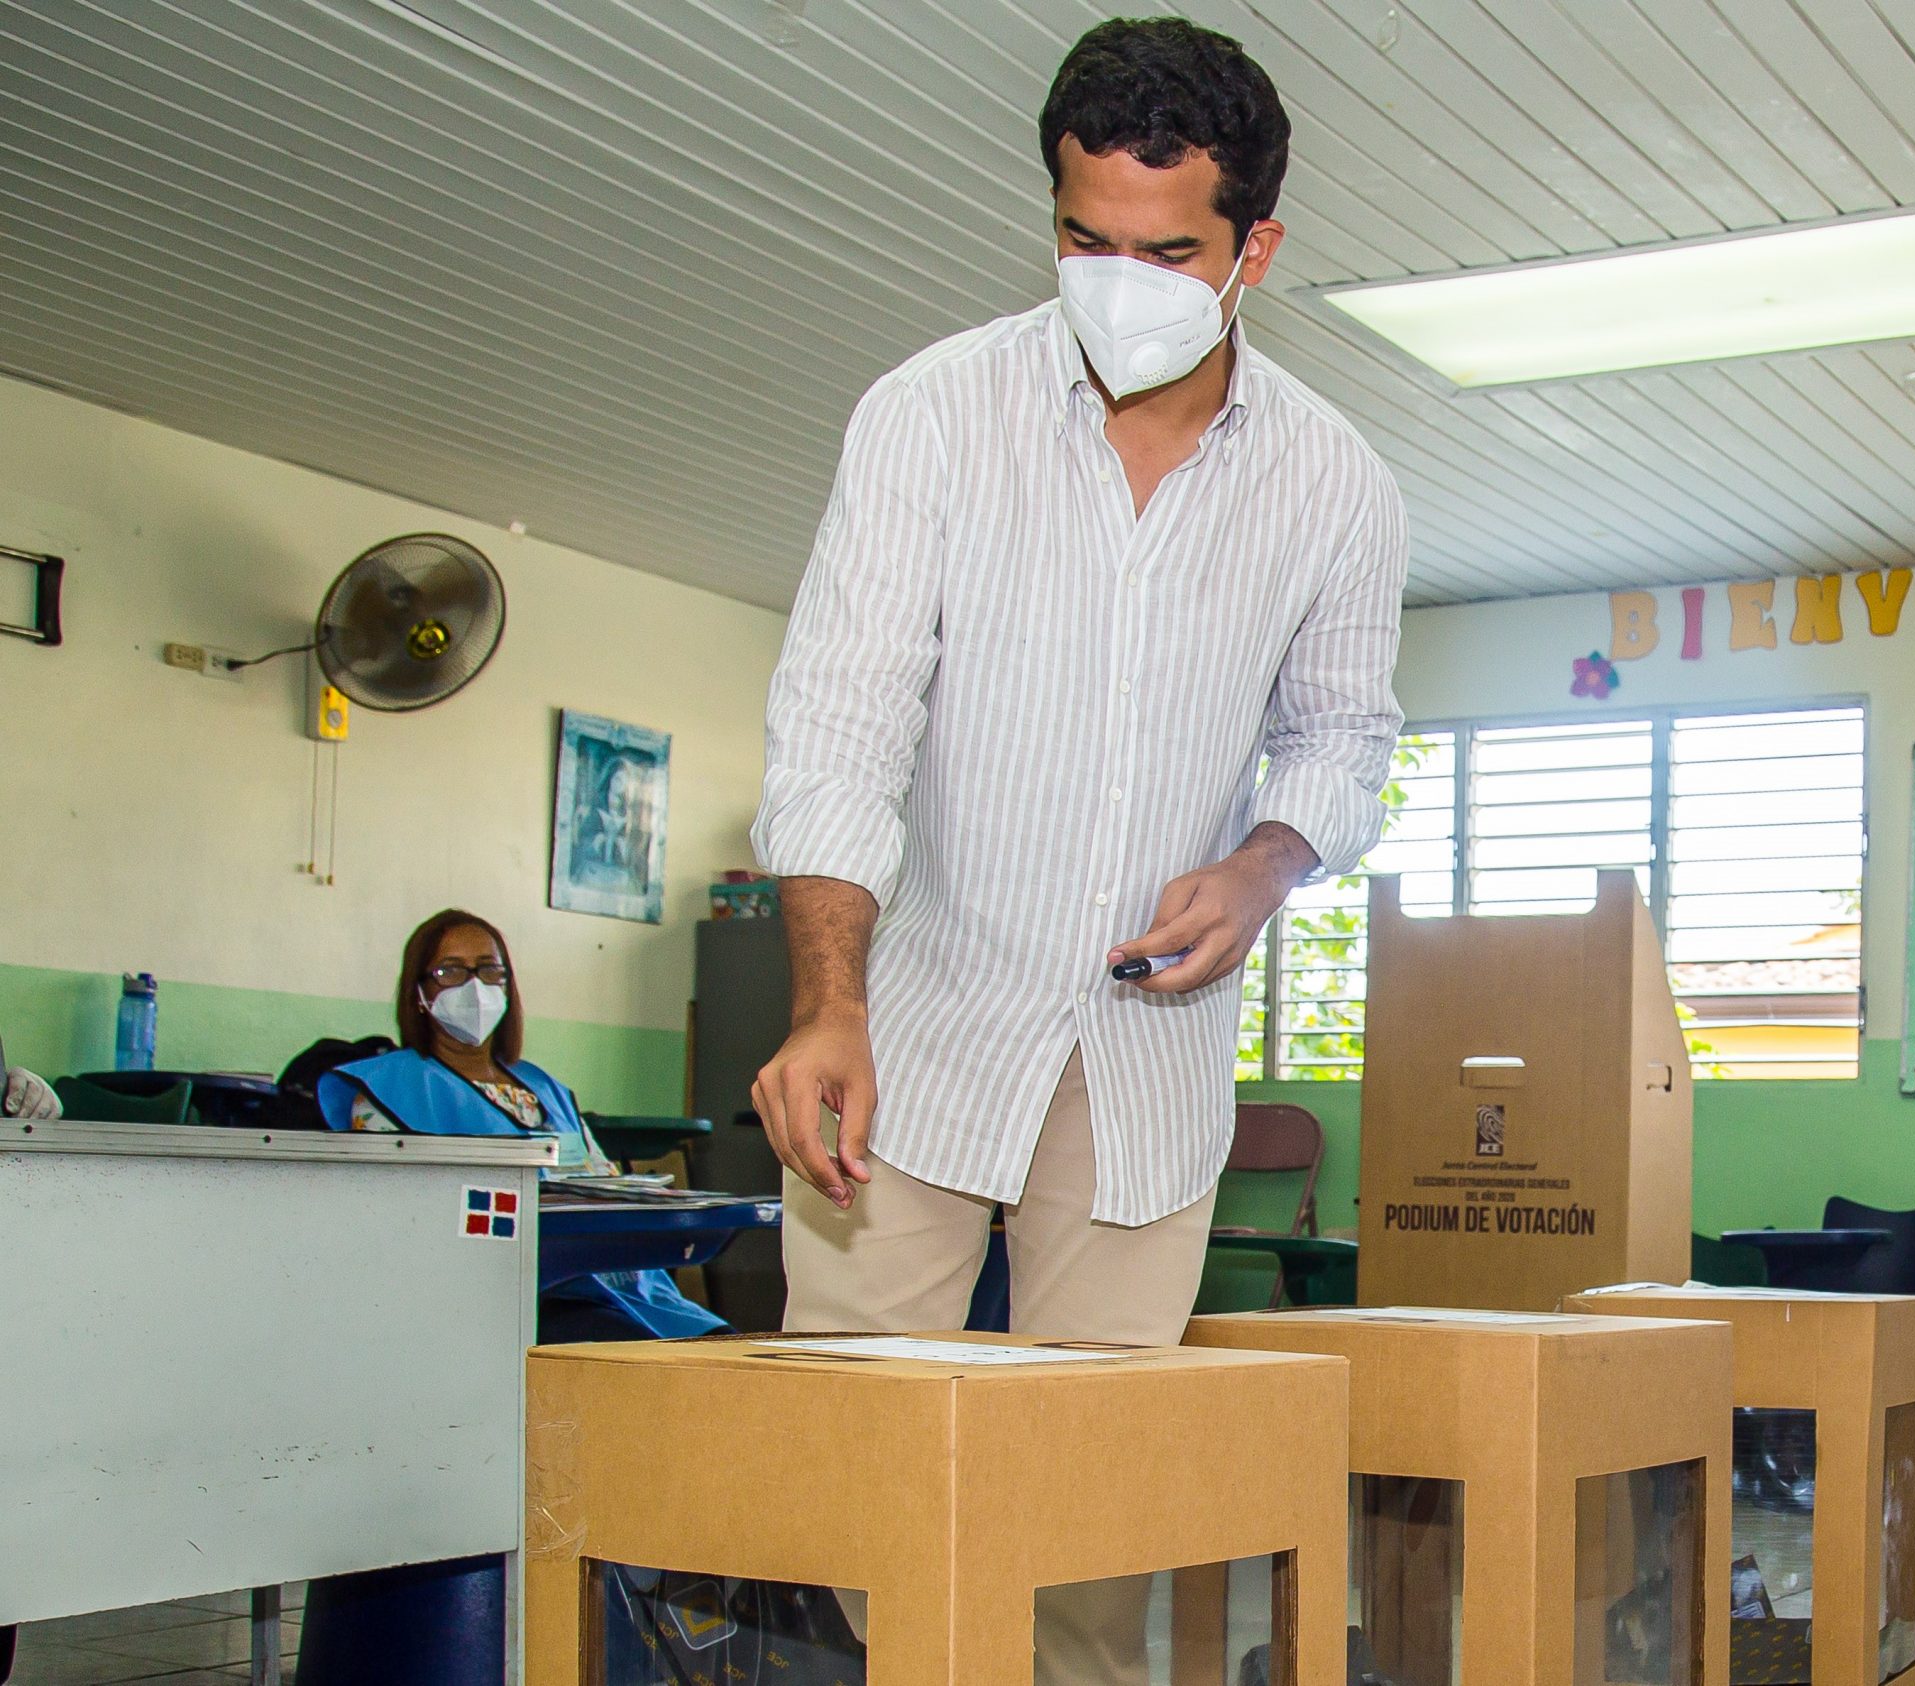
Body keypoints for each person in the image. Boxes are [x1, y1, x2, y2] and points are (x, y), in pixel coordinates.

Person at [750, 18, 1403, 1680]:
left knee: (1094, 1533)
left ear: (1255, 245)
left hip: (1147, 1071)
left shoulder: (1335, 483)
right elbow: (840, 722)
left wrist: (1261, 872)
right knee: (846, 1482)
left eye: (1166, 251)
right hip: (911, 1044)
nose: (1118, 282)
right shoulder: (927, 418)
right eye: (1081, 239)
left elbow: (1347, 738)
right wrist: (827, 999)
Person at [317, 908, 723, 1342]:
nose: (474, 986)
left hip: (613, 1280)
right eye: (450, 970)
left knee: (721, 1347)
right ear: (419, 991)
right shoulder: (389, 1092)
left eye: (490, 970)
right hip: (504, 1293)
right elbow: (392, 1221)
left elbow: (605, 1183)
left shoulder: (543, 1087)